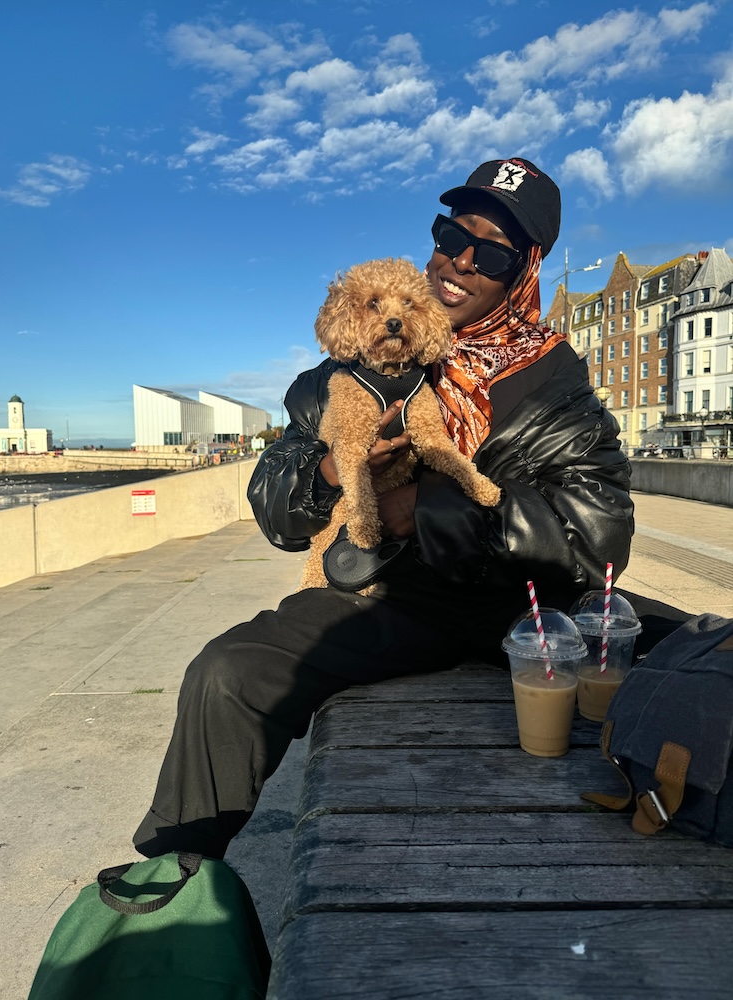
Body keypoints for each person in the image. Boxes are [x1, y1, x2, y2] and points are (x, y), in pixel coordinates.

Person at [134, 157, 633, 861]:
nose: (460, 261)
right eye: (450, 235)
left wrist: (425, 507)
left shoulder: (561, 384)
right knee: (226, 671)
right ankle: (175, 872)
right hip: (389, 596)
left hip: (522, 602)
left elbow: (600, 535)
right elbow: (274, 508)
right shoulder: (341, 374)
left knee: (684, 650)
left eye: (491, 252)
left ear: (524, 270)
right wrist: (331, 472)